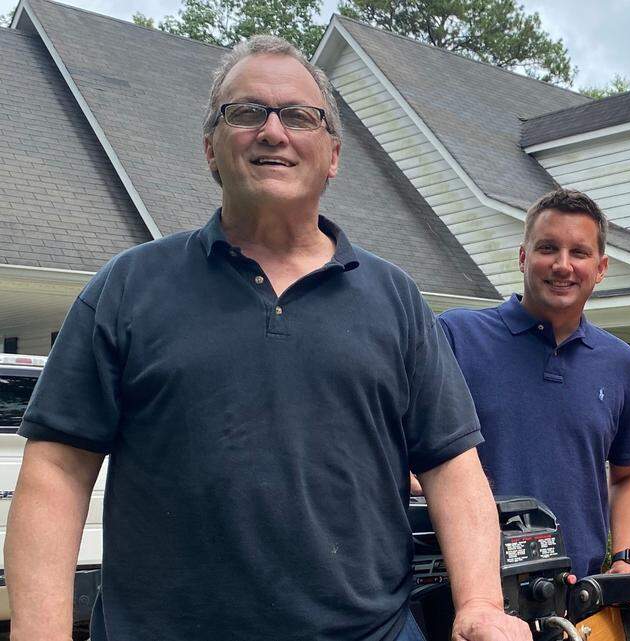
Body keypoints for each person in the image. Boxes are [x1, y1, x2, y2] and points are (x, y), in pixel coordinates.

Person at [3, 36, 528, 641]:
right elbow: (57, 471)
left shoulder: (396, 300)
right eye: (247, 112)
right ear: (211, 148)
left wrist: (482, 603)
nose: (273, 132)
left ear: (333, 155)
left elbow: (453, 469)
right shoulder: (129, 288)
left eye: (300, 116)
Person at [437, 189, 630, 579]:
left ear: (601, 268)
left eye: (579, 253)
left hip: (577, 594)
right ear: (523, 257)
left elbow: (628, 473)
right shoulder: (457, 336)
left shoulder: (620, 363)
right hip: (467, 586)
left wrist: (628, 558)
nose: (563, 265)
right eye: (548, 248)